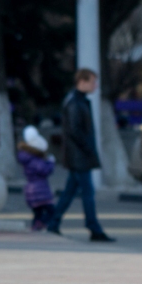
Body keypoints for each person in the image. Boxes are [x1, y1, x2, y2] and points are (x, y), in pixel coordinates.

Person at [47, 68, 115, 243]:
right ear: (82, 82)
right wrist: (88, 149)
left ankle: (53, 223)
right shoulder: (75, 102)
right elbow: (76, 131)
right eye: (92, 81)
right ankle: (93, 228)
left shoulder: (79, 100)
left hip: (78, 155)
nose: (95, 85)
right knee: (88, 193)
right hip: (79, 156)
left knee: (70, 192)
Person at [17, 126, 55, 231]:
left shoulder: (28, 158)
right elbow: (44, 170)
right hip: (39, 190)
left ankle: (35, 228)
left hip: (32, 190)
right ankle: (40, 224)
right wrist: (51, 163)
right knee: (51, 211)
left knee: (37, 213)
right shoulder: (33, 159)